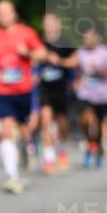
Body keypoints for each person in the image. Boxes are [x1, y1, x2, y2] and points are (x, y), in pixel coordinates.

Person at [0, 0, 45, 193]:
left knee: (25, 129)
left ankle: (27, 147)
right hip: (2, 89)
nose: (3, 16)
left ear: (14, 13)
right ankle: (12, 176)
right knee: (6, 129)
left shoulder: (26, 32)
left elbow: (42, 54)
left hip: (24, 88)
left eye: (6, 12)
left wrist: (29, 52)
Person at [74, 26, 107, 169]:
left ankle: (98, 150)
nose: (88, 41)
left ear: (97, 38)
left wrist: (100, 70)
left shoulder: (106, 53)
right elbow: (74, 68)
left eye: (90, 37)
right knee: (85, 121)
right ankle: (90, 144)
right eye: (85, 38)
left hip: (101, 95)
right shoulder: (80, 53)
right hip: (85, 94)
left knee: (97, 126)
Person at [39, 13, 76, 174]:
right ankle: (48, 158)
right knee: (45, 121)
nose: (49, 25)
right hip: (45, 89)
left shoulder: (66, 42)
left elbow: (75, 61)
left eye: (52, 22)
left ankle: (61, 151)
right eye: (46, 22)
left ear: (58, 24)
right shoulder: (39, 43)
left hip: (61, 89)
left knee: (61, 122)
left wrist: (59, 61)